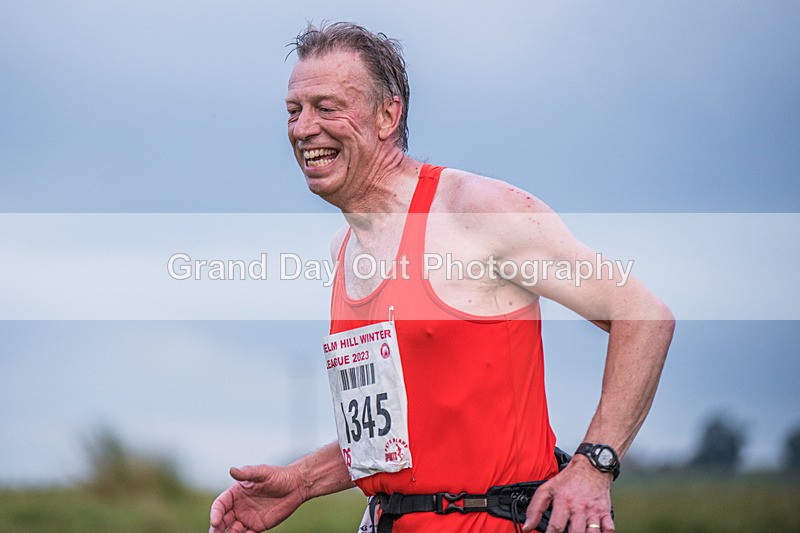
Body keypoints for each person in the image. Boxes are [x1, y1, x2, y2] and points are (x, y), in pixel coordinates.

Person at [209, 22, 674, 533]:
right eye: (294, 111)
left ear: (388, 114)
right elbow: (401, 439)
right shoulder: (345, 250)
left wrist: (593, 466)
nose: (302, 129)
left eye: (327, 107)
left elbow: (644, 316)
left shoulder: (475, 211)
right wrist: (300, 482)